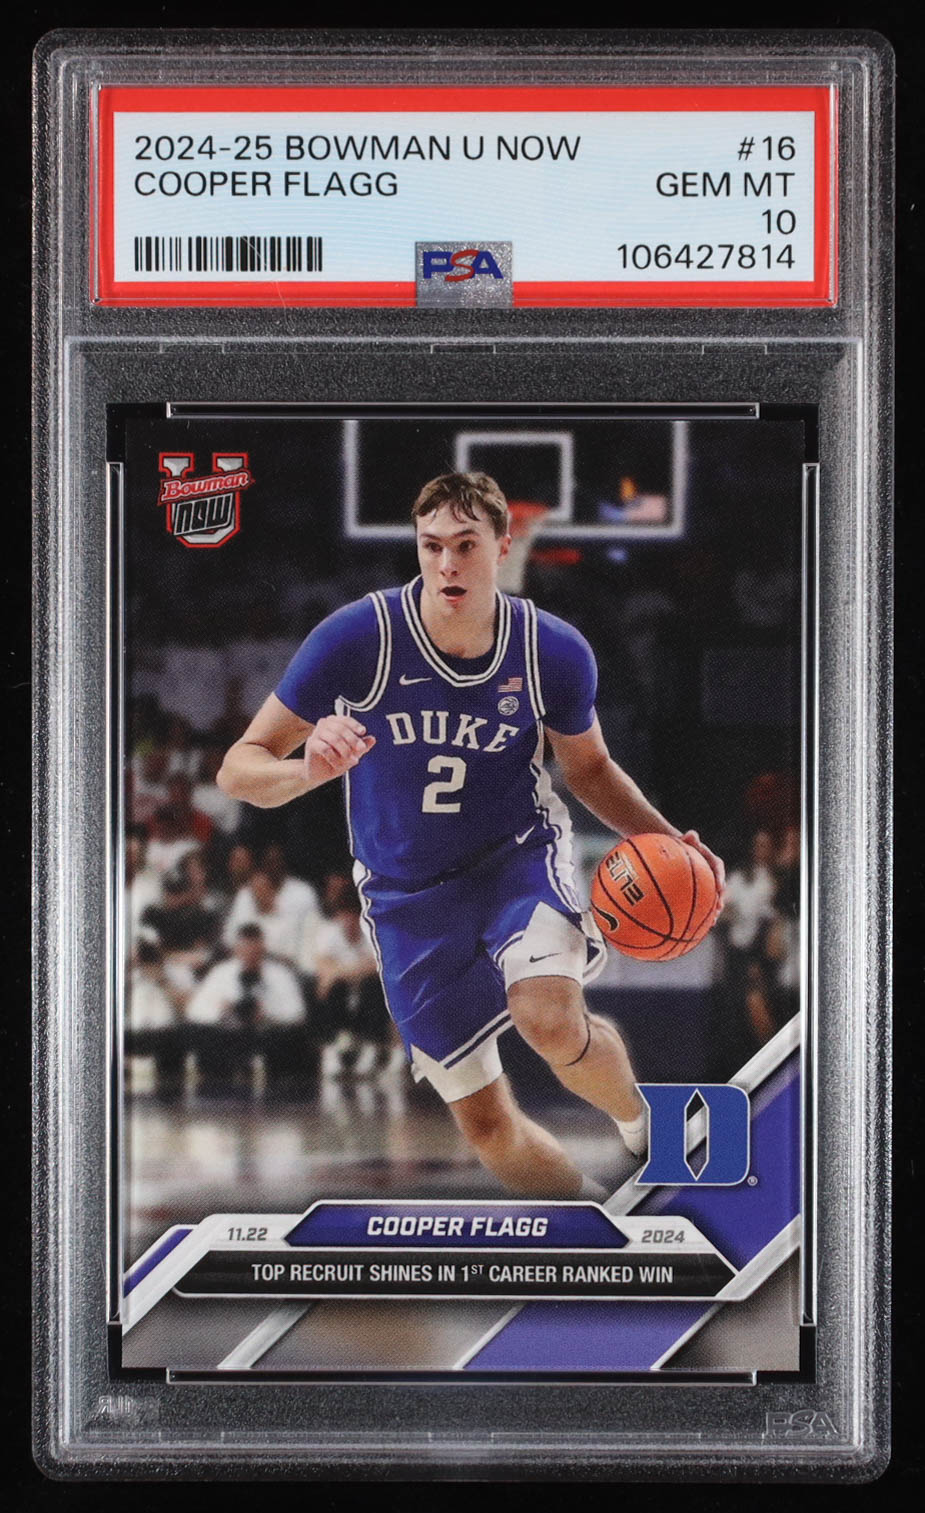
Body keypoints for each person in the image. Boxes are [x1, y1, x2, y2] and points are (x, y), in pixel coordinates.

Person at [218, 472, 724, 1198]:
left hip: (513, 859)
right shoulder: (358, 638)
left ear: (502, 547)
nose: (447, 563)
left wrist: (674, 842)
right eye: (432, 546)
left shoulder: (552, 650)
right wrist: (307, 770)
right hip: (404, 895)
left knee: (548, 1019)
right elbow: (239, 769)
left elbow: (588, 769)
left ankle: (643, 1125)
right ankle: (591, 1221)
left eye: (465, 545)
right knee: (487, 1127)